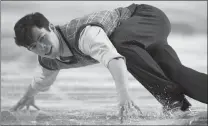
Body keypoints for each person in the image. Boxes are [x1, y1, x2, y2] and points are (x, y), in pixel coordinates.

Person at [11, 3, 207, 123]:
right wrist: (28, 97)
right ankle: (179, 102)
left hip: (148, 17)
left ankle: (173, 102)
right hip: (139, 38)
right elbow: (42, 80)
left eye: (43, 38)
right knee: (175, 73)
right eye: (34, 47)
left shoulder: (85, 35)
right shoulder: (49, 59)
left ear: (51, 28)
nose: (42, 48)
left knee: (120, 44)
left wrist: (123, 97)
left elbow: (115, 60)